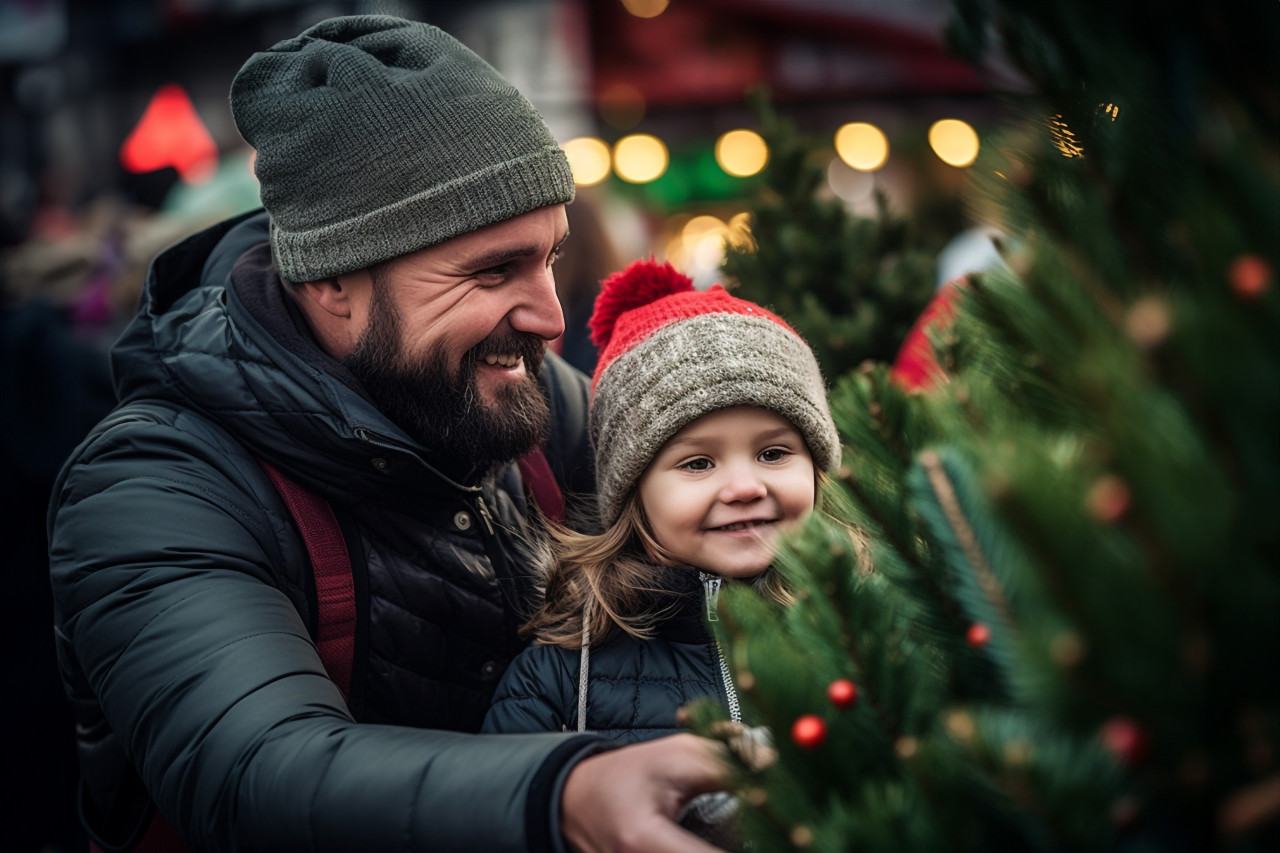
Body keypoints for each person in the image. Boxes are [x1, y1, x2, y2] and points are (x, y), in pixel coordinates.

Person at [47, 15, 728, 853]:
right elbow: (258, 772)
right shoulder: (157, 484)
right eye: (491, 271)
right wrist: (565, 795)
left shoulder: (540, 404)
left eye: (549, 258)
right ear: (333, 278)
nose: (551, 317)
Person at [481, 259, 840, 824]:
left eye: (774, 453)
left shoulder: (868, 631)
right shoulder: (561, 676)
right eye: (698, 463)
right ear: (633, 493)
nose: (746, 487)